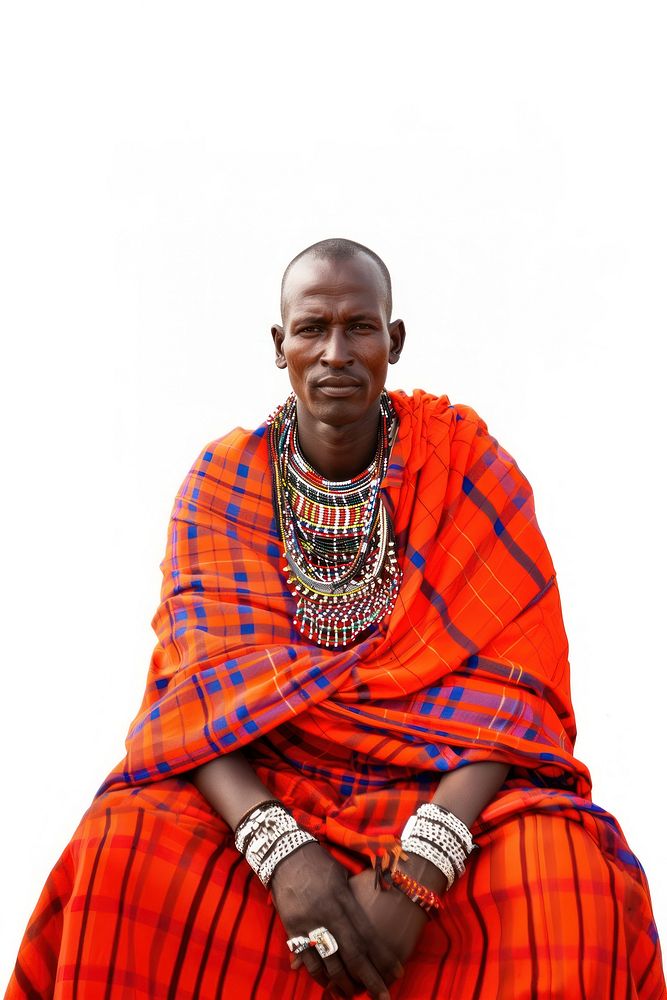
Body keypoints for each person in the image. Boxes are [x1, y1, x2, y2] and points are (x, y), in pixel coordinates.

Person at [6, 239, 665, 1000]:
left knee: (567, 875)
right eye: (312, 328)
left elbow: (513, 700)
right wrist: (281, 852)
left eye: (360, 327)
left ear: (395, 341)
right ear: (278, 344)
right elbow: (192, 704)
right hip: (267, 788)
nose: (334, 353)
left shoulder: (468, 464)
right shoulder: (220, 483)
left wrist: (421, 866)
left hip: (436, 789)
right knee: (120, 850)